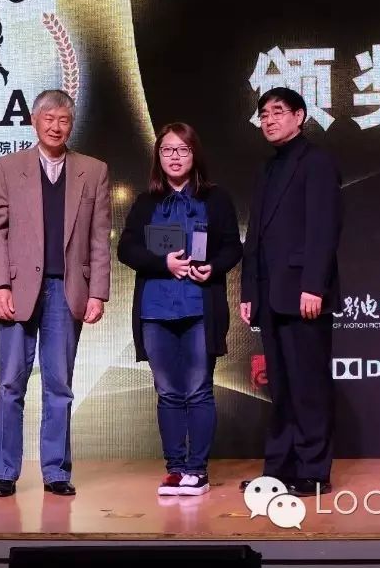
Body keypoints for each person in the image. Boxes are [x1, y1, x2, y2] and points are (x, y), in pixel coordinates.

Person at [0, 89, 110, 497]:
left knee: (60, 385)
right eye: (49, 118)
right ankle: (5, 471)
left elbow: (99, 238)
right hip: (18, 290)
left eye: (63, 120)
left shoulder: (93, 171)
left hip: (67, 290)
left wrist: (98, 293)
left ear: (71, 125)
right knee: (10, 384)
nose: (56, 127)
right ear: (34, 121)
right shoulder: (8, 168)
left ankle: (56, 471)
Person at [117, 123, 242, 496]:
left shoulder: (216, 199)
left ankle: (196, 471)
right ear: (158, 156)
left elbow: (232, 247)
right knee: (168, 391)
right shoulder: (146, 202)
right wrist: (163, 263)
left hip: (200, 307)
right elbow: (126, 249)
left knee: (199, 389)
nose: (174, 156)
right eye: (167, 150)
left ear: (194, 155)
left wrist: (213, 267)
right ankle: (174, 469)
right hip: (155, 310)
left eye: (182, 149)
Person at [239, 87, 343, 496]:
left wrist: (314, 285)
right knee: (280, 388)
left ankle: (314, 471)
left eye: (278, 112)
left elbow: (323, 229)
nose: (269, 120)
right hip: (269, 295)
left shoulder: (317, 162)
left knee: (308, 386)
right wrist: (249, 290)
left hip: (303, 294)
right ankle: (279, 469)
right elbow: (255, 237)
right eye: (263, 114)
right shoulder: (267, 168)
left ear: (300, 116)